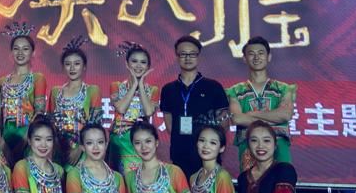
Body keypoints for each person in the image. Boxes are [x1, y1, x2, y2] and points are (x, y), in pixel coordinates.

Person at [159, 36, 229, 180]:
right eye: (183, 54)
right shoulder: (168, 89)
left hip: (207, 153)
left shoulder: (213, 86)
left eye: (192, 54)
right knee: (182, 191)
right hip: (179, 152)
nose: (187, 58)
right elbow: (170, 126)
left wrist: (209, 140)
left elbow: (224, 123)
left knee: (207, 191)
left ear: (198, 56)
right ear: (177, 57)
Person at [227, 36, 296, 171]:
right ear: (244, 58)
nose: (256, 57)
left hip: (279, 146)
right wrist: (273, 118)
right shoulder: (235, 91)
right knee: (250, 182)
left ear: (269, 57)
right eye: (251, 54)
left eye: (261, 53)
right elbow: (237, 118)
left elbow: (285, 115)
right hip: (248, 146)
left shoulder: (284, 88)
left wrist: (252, 114)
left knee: (282, 181)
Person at [47, 36, 102, 166]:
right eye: (68, 64)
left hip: (82, 151)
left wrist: (80, 148)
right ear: (63, 67)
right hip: (59, 150)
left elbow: (95, 125)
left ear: (84, 67)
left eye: (77, 64)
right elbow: (50, 124)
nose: (72, 68)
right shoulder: (55, 92)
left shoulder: (92, 91)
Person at [0, 22, 47, 165]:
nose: (20, 53)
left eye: (25, 49)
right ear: (11, 52)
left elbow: (39, 113)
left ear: (33, 52)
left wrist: (27, 138)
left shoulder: (37, 78)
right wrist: (0, 141)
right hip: (5, 139)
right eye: (16, 49)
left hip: (28, 137)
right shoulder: (2, 81)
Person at [109, 41, 159, 175]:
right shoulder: (116, 86)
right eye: (134, 61)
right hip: (120, 141)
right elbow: (121, 109)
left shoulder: (153, 90)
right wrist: (134, 85)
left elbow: (148, 111)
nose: (138, 66)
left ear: (148, 66)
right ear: (127, 63)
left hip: (141, 140)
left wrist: (141, 85)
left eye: (143, 62)